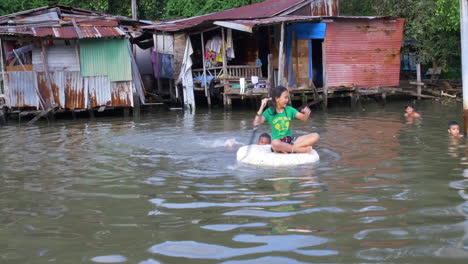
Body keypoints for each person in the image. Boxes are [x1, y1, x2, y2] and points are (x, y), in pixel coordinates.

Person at [253, 86, 319, 153]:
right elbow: (256, 123)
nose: (287, 100)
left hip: (290, 140)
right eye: (285, 97)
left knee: (315, 136)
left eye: (287, 97)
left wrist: (306, 113)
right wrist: (262, 107)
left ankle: (287, 149)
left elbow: (304, 118)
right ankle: (299, 150)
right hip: (278, 142)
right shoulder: (269, 112)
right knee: (274, 143)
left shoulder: (289, 110)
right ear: (277, 99)